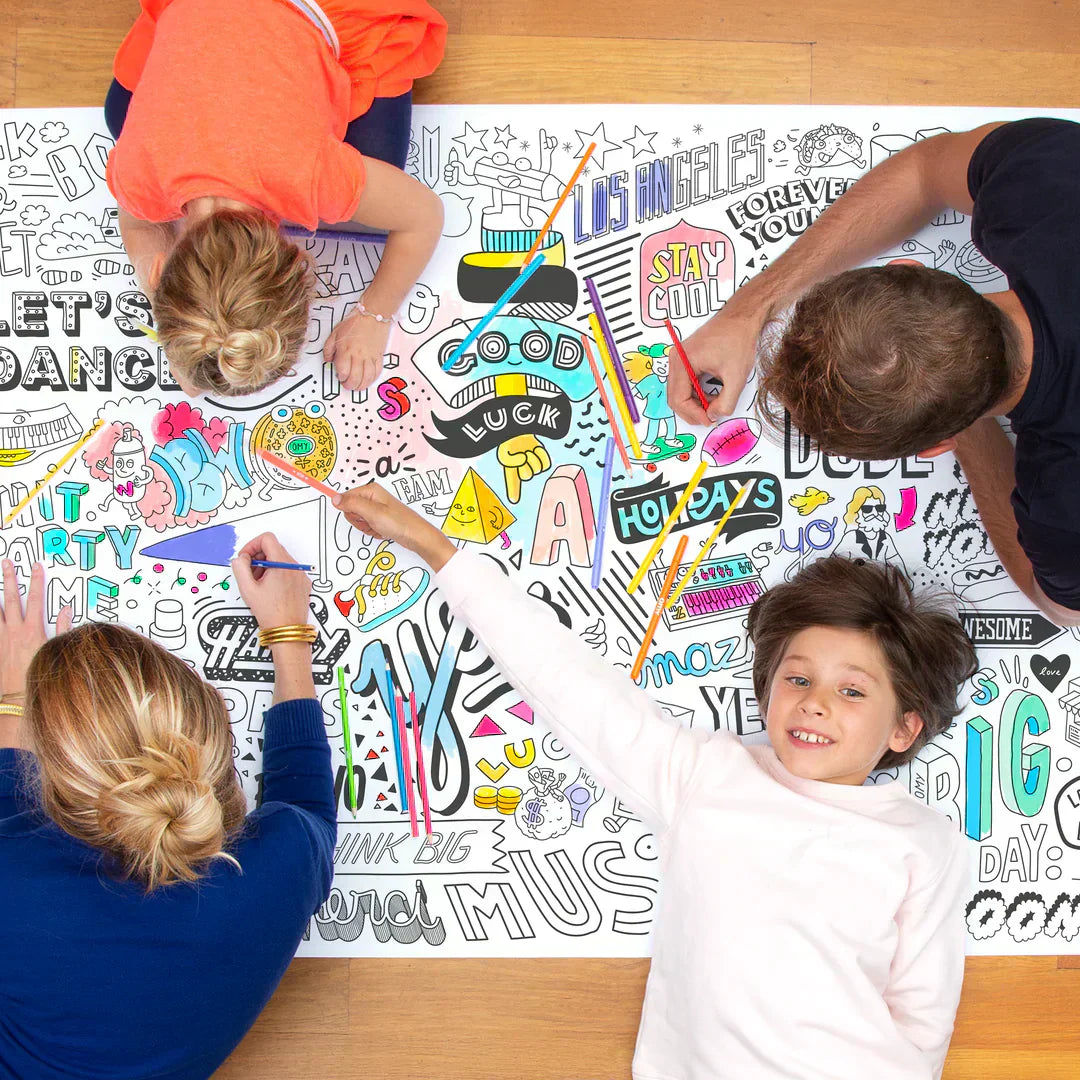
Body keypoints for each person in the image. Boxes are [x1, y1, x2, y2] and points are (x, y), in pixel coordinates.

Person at [331, 482, 977, 1080]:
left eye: (852, 691)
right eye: (798, 678)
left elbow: (922, 1031)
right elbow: (572, 687)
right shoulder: (706, 775)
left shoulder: (923, 842)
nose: (814, 703)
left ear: (904, 728)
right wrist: (434, 548)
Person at [667, 118, 1080, 627]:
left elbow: (1061, 609)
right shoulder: (1046, 182)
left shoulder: (1066, 507)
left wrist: (963, 416)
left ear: (937, 444)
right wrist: (747, 311)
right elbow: (928, 168)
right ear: (908, 269)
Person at [0, 537, 334, 1079]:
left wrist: (16, 699)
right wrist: (289, 637)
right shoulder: (281, 868)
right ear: (214, 724)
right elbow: (309, 806)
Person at [105, 0, 448, 398]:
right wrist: (176, 326)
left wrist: (374, 314)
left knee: (381, 159)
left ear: (300, 263)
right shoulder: (135, 172)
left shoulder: (309, 179)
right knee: (119, 117)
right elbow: (138, 221)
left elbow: (424, 215)